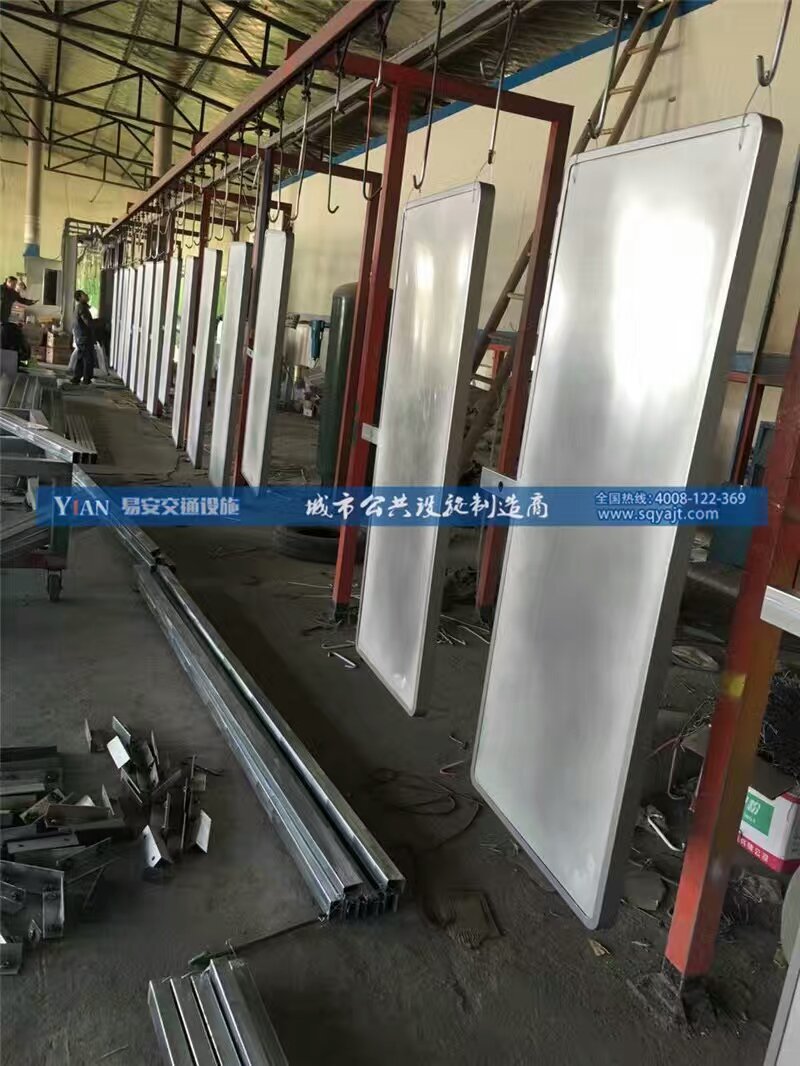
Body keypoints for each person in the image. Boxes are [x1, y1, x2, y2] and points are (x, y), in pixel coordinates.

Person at [1, 275, 36, 365]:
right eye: (13, 284)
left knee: (6, 336)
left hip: (5, 318)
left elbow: (21, 300)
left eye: (15, 284)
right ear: (8, 282)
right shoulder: (1, 289)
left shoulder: (13, 293)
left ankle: (8, 358)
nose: (14, 286)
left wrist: (31, 302)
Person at [72, 289, 95, 385]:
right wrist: (98, 323)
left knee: (81, 358)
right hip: (84, 337)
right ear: (80, 298)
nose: (86, 295)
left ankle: (76, 378)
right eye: (84, 294)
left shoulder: (80, 307)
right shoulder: (82, 308)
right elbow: (87, 322)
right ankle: (86, 379)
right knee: (88, 358)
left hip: (80, 337)